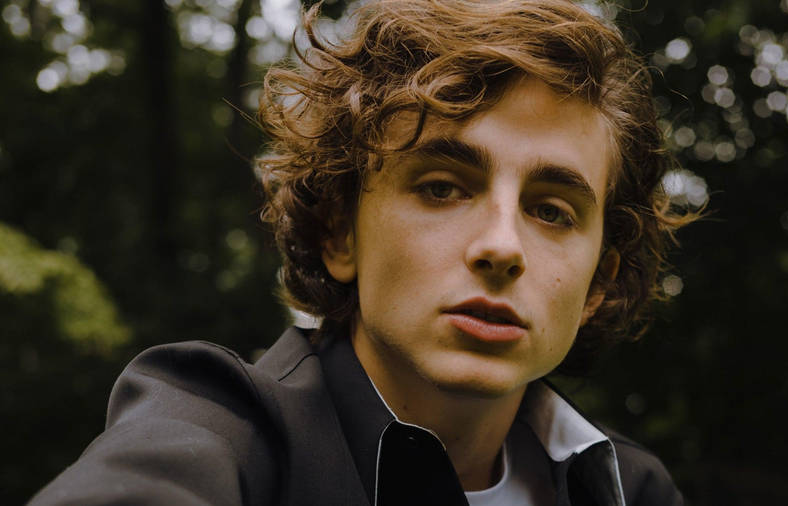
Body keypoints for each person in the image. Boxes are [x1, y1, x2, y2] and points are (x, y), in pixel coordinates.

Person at [30, 0, 695, 504]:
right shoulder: (220, 431)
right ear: (339, 234)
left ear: (598, 283)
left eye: (551, 211)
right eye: (441, 188)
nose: (501, 246)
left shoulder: (633, 489)